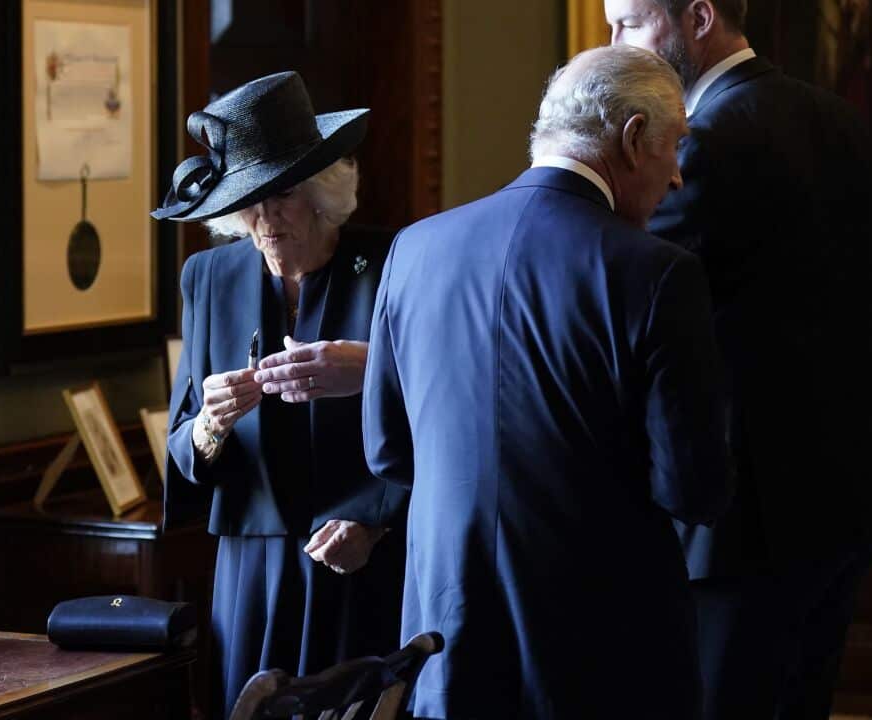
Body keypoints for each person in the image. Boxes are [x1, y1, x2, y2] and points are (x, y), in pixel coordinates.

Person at [362, 45, 732, 719]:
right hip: (603, 645)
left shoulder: (414, 248)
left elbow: (388, 451)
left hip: (447, 631)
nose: (677, 177)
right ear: (633, 136)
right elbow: (693, 487)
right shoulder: (656, 273)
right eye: (675, 147)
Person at [606, 1, 872, 716]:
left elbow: (639, 324)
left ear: (699, 17)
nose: (613, 43)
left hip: (749, 516)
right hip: (850, 495)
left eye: (628, 23)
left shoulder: (700, 145)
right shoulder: (839, 118)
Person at [153, 71, 409, 719]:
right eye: (250, 202)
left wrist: (376, 519)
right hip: (252, 571)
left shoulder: (391, 266)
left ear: (324, 190)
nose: (265, 221)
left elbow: (442, 412)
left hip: (358, 558)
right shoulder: (208, 278)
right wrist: (209, 425)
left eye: (282, 196)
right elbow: (182, 448)